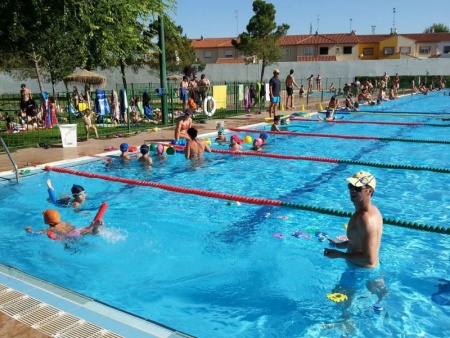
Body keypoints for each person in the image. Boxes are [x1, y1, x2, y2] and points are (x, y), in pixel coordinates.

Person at [323, 171, 387, 311]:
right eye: (350, 186)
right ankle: (381, 301)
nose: (352, 190)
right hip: (373, 269)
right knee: (378, 293)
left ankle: (346, 324)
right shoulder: (373, 211)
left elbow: (368, 259)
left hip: (358, 270)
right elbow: (361, 242)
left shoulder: (365, 218)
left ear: (369, 191)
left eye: (357, 188)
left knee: (340, 303)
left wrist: (340, 254)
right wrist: (340, 245)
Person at [25, 209, 103, 238]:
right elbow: (73, 228)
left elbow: (36, 234)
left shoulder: (51, 229)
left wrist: (28, 231)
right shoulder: (65, 222)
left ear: (46, 221)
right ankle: (95, 227)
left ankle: (95, 227)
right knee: (90, 232)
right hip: (77, 229)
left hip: (70, 235)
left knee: (68, 246)